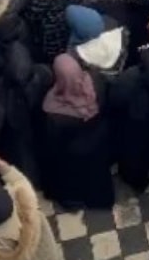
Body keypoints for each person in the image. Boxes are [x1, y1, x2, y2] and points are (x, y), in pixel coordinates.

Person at [38, 54, 115, 210]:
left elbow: (52, 143)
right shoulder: (95, 81)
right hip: (97, 146)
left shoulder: (53, 109)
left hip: (71, 156)